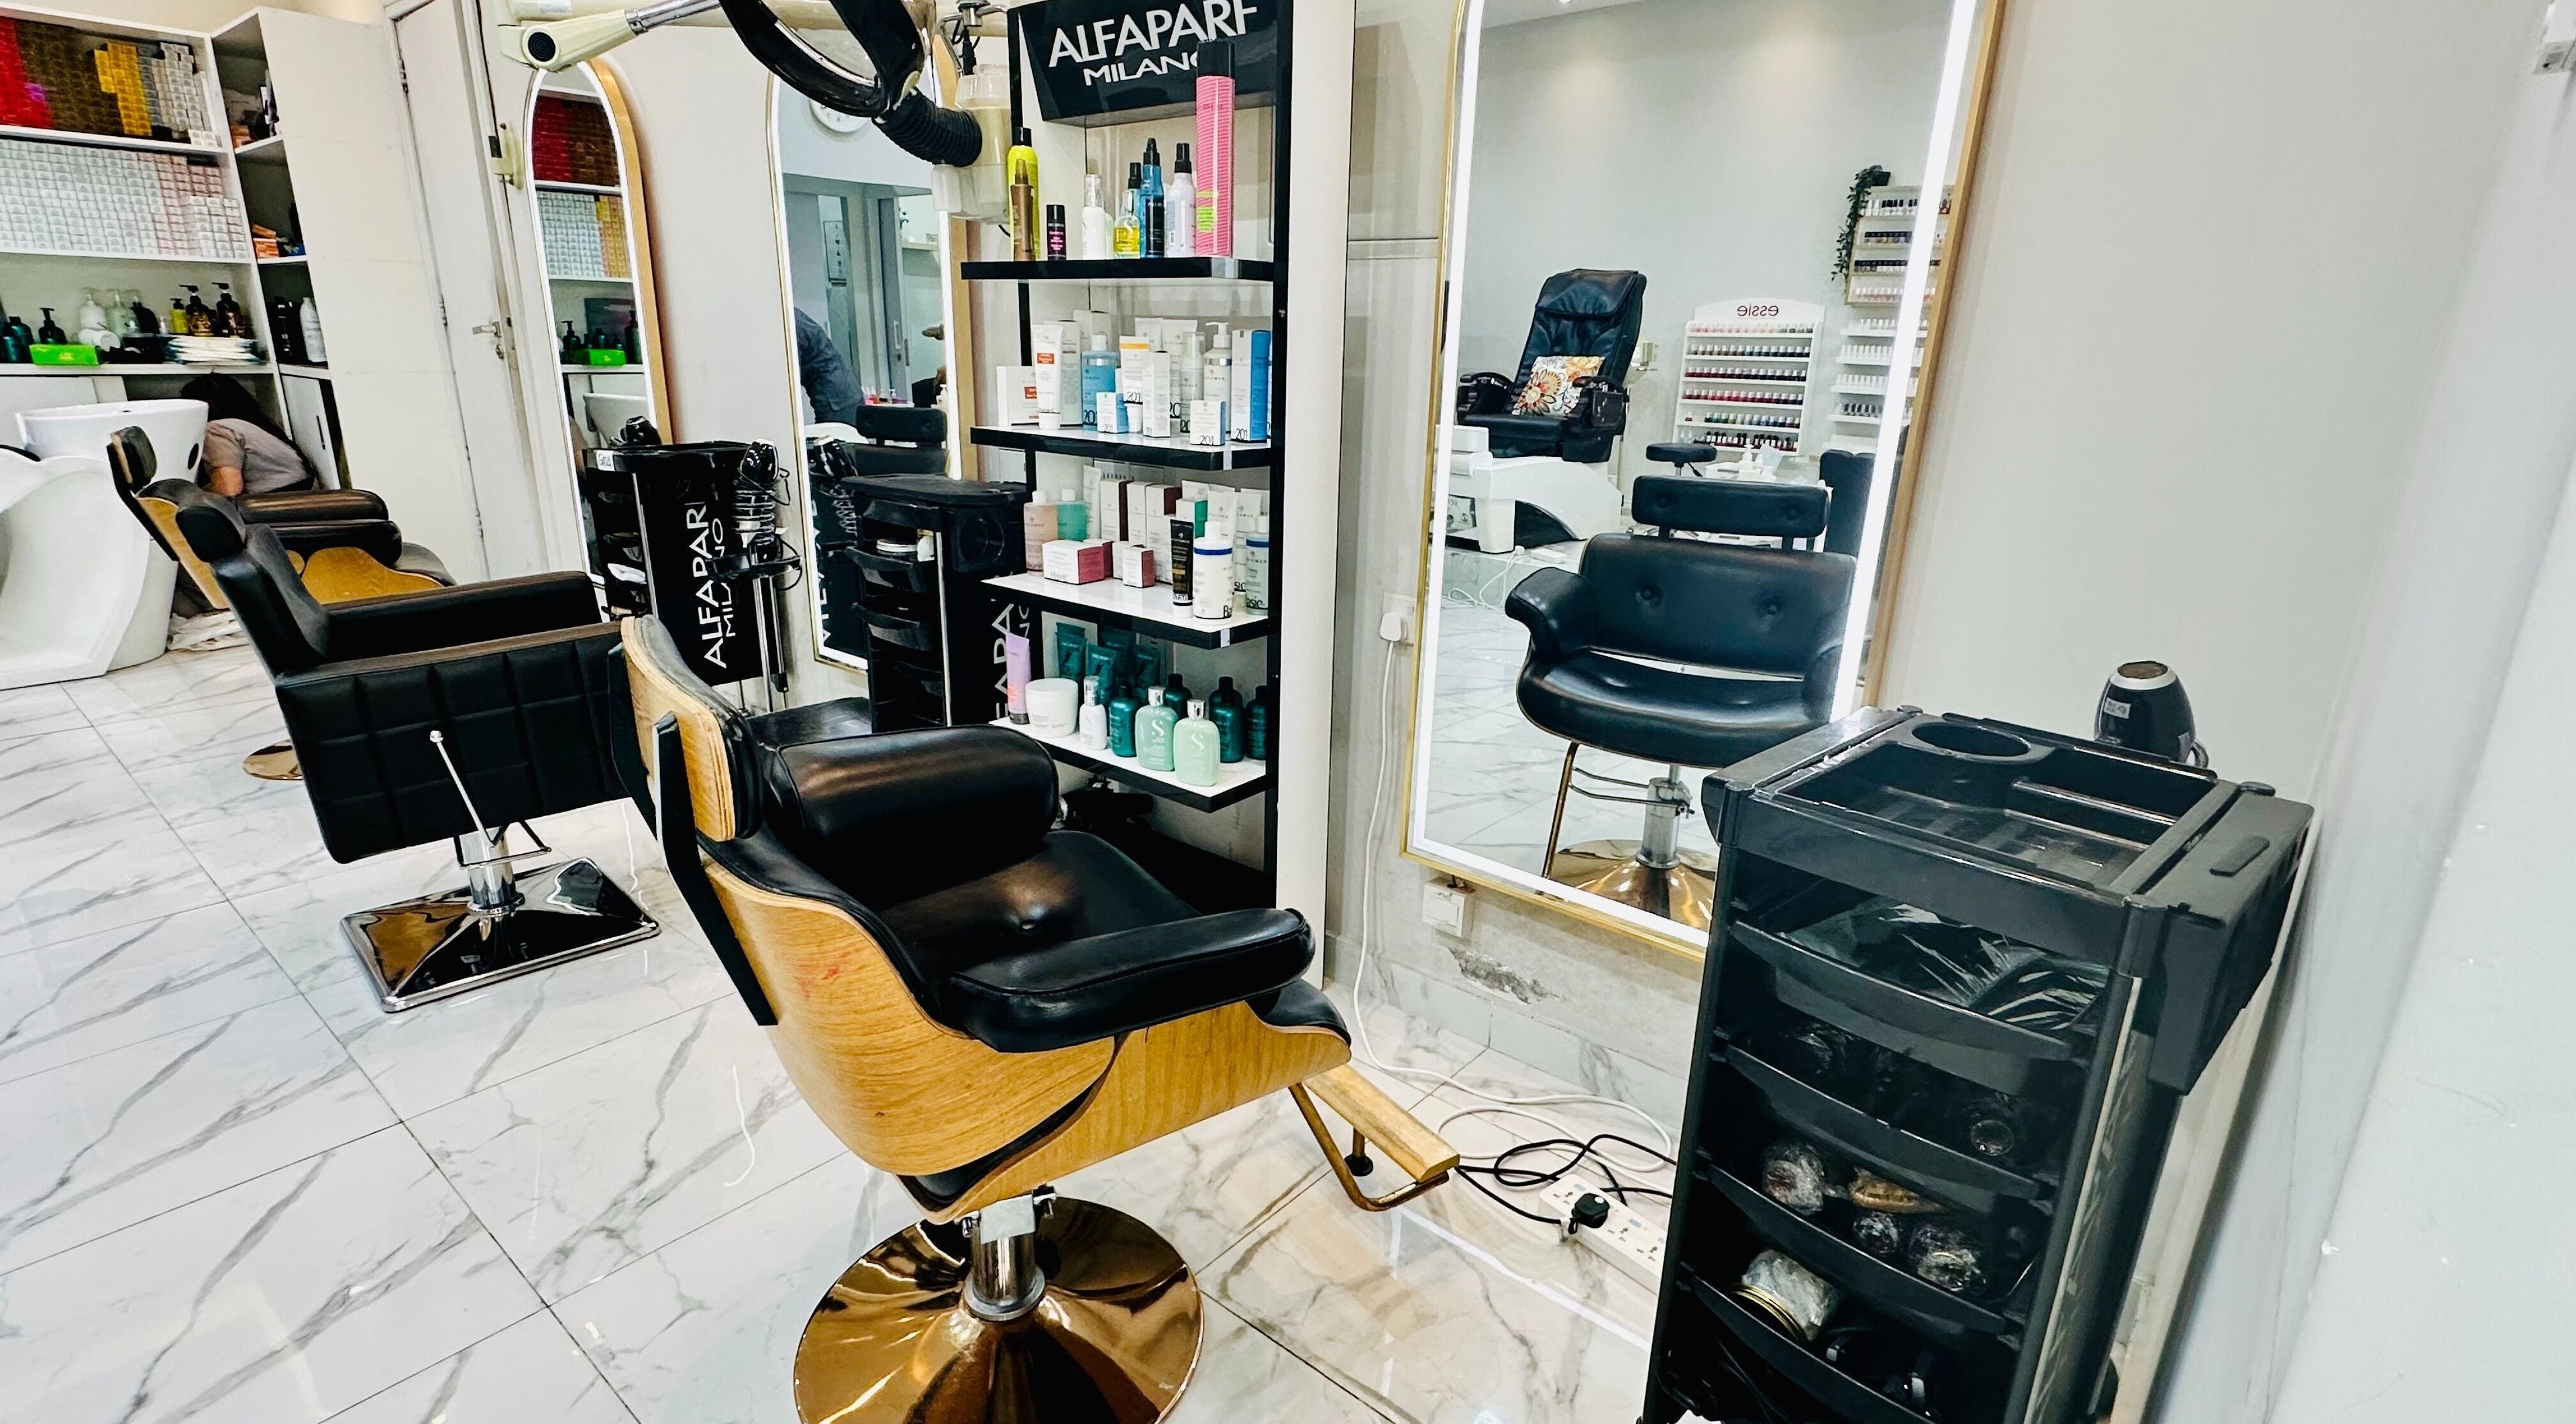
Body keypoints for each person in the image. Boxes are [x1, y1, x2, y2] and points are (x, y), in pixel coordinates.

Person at [180, 374, 319, 498]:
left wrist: (194, 495)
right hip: (305, 499)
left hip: (278, 505)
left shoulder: (218, 429)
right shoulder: (255, 426)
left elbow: (229, 489)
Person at [794, 308, 863, 429]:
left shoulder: (788, 323)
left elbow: (789, 376)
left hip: (837, 399)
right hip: (843, 392)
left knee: (834, 442)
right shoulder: (792, 316)